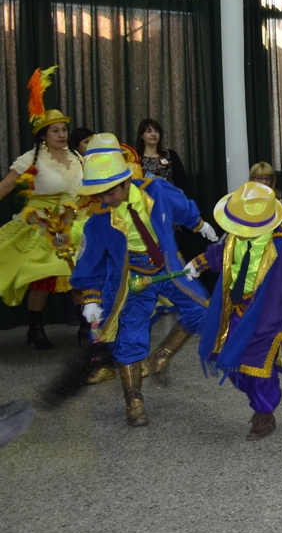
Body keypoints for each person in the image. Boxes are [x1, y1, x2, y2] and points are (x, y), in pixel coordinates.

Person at [72, 133, 217, 426]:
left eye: (110, 192)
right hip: (133, 279)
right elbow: (90, 263)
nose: (105, 199)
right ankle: (134, 400)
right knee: (130, 337)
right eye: (99, 194)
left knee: (202, 310)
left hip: (168, 268)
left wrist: (199, 224)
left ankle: (162, 355)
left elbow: (181, 205)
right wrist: (90, 298)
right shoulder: (98, 220)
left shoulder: (156, 190)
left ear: (126, 181)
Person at [187, 181, 282, 440]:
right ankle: (260, 400)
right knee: (233, 363)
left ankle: (265, 412)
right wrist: (198, 263)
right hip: (236, 311)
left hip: (269, 316)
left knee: (258, 367)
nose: (240, 231)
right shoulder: (234, 237)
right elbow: (220, 253)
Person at [0, 67, 84, 350]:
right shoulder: (32, 159)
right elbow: (6, 186)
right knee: (43, 276)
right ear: (44, 135)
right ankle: (35, 328)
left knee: (80, 271)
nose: (61, 134)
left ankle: (86, 325)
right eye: (55, 130)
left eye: (64, 129)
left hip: (73, 221)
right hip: (41, 223)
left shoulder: (77, 158)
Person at [134, 118, 188, 191]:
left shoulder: (170, 154)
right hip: (142, 195)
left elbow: (181, 181)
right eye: (149, 131)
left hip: (167, 195)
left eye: (156, 131)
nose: (154, 134)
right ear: (141, 135)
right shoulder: (134, 156)